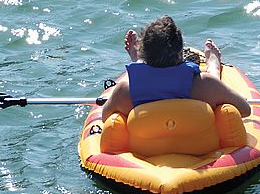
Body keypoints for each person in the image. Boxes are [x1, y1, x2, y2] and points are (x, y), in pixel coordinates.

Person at [101, 15, 251, 120]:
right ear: (181, 54)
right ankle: (214, 65)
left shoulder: (125, 91)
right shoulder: (204, 84)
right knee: (211, 81)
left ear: (144, 52)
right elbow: (245, 110)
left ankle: (138, 61)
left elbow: (105, 117)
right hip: (197, 149)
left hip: (146, 149)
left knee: (134, 83)